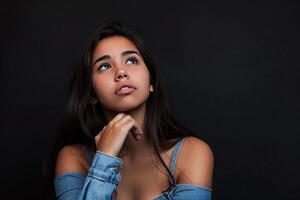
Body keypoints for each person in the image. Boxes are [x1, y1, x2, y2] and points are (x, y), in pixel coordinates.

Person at [43, 22, 214, 200]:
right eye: (105, 66)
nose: (121, 72)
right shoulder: (73, 158)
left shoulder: (193, 153)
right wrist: (105, 157)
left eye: (132, 60)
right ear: (92, 93)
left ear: (151, 83)